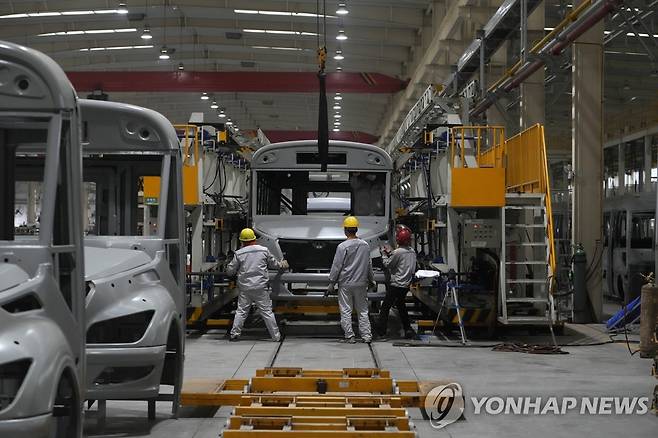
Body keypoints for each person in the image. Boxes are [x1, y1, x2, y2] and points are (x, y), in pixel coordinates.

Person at [227, 227, 288, 342]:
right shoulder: (263, 250)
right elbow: (274, 264)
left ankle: (235, 334)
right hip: (260, 287)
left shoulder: (239, 254)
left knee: (241, 311)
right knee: (267, 312)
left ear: (242, 241)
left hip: (245, 288)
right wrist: (282, 264)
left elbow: (230, 270)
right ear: (254, 239)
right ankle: (276, 337)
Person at [327, 216, 376, 344]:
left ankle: (350, 336)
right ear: (356, 229)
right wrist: (372, 279)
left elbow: (337, 266)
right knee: (363, 311)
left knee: (346, 310)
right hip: (361, 283)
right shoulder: (365, 245)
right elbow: (368, 264)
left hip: (346, 284)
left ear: (345, 230)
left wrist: (331, 283)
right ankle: (366, 336)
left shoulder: (342, 247)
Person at [376, 225, 417, 339]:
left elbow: (388, 264)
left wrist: (384, 254)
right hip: (405, 285)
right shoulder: (412, 252)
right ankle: (407, 329)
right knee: (401, 305)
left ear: (398, 239)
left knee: (385, 307)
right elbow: (402, 261)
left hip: (396, 285)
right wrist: (391, 253)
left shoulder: (398, 252)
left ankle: (381, 332)